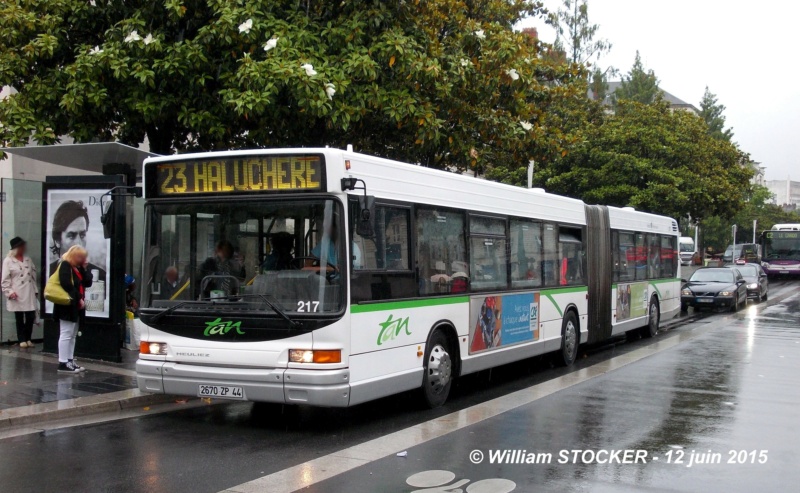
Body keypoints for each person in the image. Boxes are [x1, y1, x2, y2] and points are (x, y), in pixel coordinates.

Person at [52, 245, 93, 374]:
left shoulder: (77, 268)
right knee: (66, 333)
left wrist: (85, 268)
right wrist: (79, 298)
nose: (82, 259)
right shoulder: (65, 265)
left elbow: (87, 282)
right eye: (80, 257)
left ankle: (69, 360)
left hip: (76, 306)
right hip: (67, 305)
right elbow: (66, 285)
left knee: (72, 334)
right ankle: (63, 362)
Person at [48, 200, 106, 281]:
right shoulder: (48, 273)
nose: (78, 243)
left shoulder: (101, 276)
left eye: (82, 235)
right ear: (57, 240)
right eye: (71, 236)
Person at [1, 237, 39, 348]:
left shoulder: (28, 259)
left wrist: (35, 290)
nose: (23, 248)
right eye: (21, 246)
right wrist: (9, 291)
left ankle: (28, 338)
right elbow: (5, 279)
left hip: (29, 292)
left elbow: (33, 276)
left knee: (30, 316)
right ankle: (21, 339)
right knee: (19, 317)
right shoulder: (8, 261)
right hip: (17, 293)